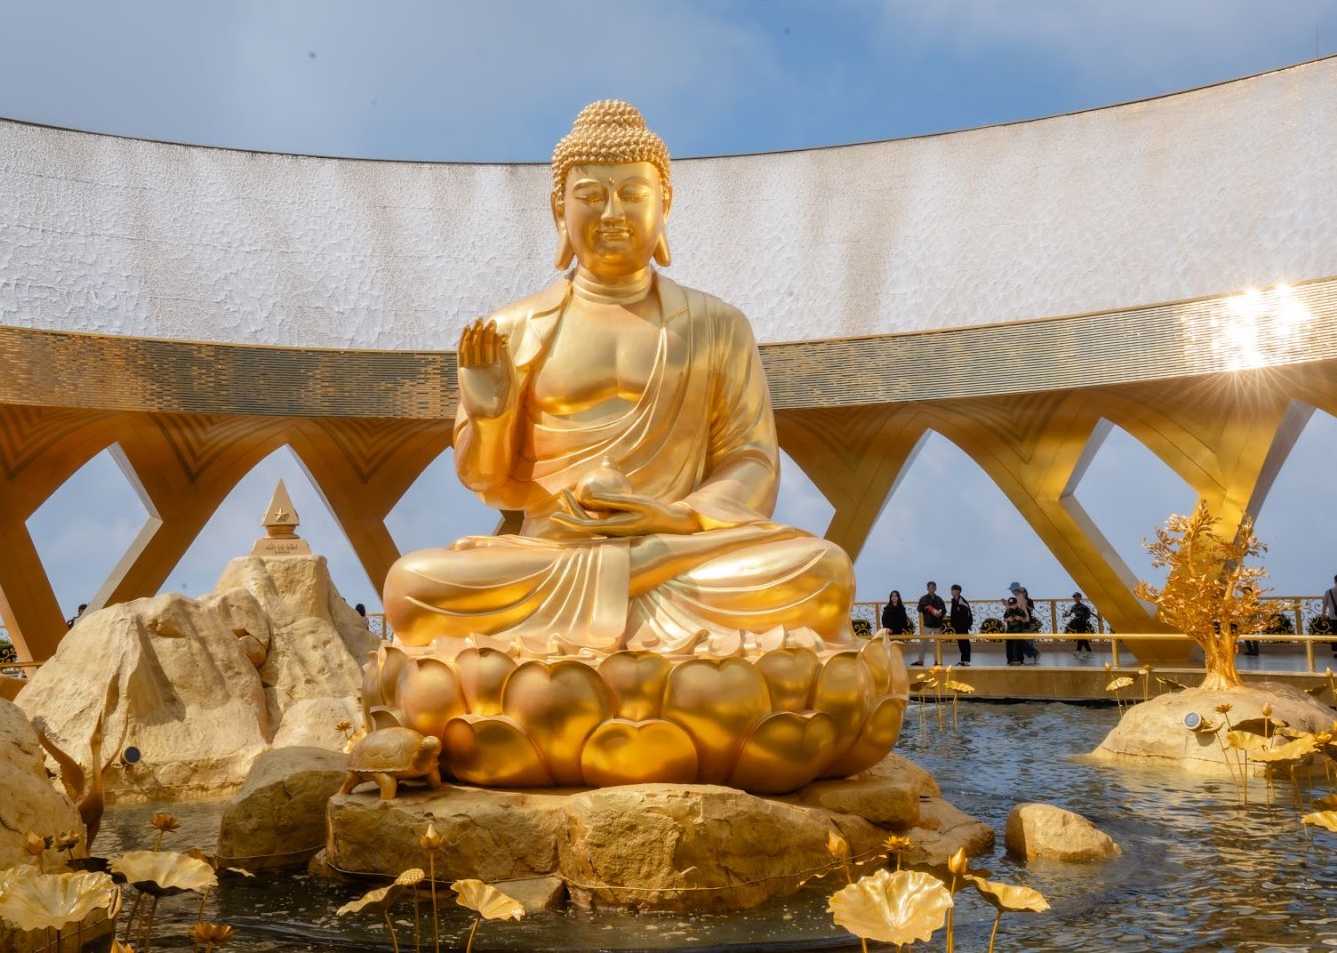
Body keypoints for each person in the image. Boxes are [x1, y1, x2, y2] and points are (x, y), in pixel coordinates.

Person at [382, 101, 856, 656]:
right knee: (413, 585)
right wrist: (490, 418)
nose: (611, 212)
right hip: (553, 556)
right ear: (559, 210)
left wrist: (673, 519)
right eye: (589, 196)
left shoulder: (716, 325)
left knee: (822, 572)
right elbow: (489, 482)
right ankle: (651, 615)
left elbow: (750, 461)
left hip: (676, 552)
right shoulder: (511, 330)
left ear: (665, 205)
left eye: (632, 194)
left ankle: (604, 612)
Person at [911, 582, 947, 666]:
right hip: (928, 624)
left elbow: (944, 610)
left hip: (937, 624)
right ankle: (920, 661)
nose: (931, 589)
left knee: (937, 645)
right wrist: (926, 608)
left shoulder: (939, 599)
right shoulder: (923, 599)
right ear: (927, 588)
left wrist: (939, 613)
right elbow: (919, 609)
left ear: (935, 588)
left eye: (933, 588)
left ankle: (937, 661)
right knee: (923, 643)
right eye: (930, 587)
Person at [1009, 583, 1040, 664]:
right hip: (1021, 621)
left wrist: (1006, 605)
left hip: (1021, 621)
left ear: (1016, 590)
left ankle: (1032, 653)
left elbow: (1015, 609)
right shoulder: (1019, 597)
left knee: (1019, 640)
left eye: (1012, 590)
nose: (1012, 591)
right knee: (1018, 640)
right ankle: (1018, 658)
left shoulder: (1019, 597)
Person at [948, 584, 974, 666]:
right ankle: (963, 660)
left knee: (964, 642)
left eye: (953, 590)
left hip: (963, 626)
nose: (951, 592)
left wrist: (968, 624)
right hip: (957, 626)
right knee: (961, 643)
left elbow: (968, 614)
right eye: (951, 590)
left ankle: (966, 660)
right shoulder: (954, 601)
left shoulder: (962, 601)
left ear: (958, 591)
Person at [1002, 597, 1029, 665]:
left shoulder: (1020, 611)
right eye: (1011, 605)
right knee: (1009, 646)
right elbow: (1004, 619)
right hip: (1009, 631)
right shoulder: (1008, 611)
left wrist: (1020, 618)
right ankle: (1009, 659)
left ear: (1016, 603)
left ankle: (1020, 659)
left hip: (1019, 631)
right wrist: (1008, 619)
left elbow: (1025, 620)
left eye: (1014, 604)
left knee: (1019, 645)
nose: (1013, 606)